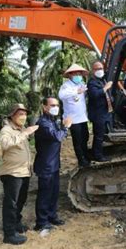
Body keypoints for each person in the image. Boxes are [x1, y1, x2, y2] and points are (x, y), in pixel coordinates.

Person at [0, 103, 39, 245]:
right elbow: (5, 144)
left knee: (20, 201)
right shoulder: (7, 130)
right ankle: (9, 234)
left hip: (23, 172)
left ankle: (16, 223)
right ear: (12, 116)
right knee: (11, 203)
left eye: (25, 114)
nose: (23, 117)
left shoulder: (21, 130)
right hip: (12, 173)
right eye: (20, 114)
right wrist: (25, 134)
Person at [34, 97, 72, 233]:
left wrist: (62, 127)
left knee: (54, 193)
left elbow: (59, 134)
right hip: (46, 165)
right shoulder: (43, 123)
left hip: (54, 164)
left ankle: (51, 216)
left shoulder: (52, 121)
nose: (56, 107)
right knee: (45, 194)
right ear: (44, 107)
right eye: (52, 105)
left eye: (57, 105)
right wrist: (66, 126)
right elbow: (57, 136)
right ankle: (41, 222)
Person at [58, 63, 91, 167]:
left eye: (79, 73)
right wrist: (76, 91)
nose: (78, 75)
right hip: (73, 119)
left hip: (82, 117)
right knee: (78, 140)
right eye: (76, 73)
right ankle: (81, 161)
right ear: (70, 75)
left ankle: (86, 157)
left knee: (85, 138)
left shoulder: (81, 84)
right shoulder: (66, 86)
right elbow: (61, 96)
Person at [87, 61, 114, 162]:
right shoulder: (92, 82)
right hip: (98, 114)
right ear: (93, 70)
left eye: (101, 68)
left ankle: (98, 152)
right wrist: (106, 88)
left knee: (102, 135)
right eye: (97, 69)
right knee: (98, 136)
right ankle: (98, 156)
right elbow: (94, 94)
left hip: (105, 112)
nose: (100, 71)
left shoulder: (102, 80)